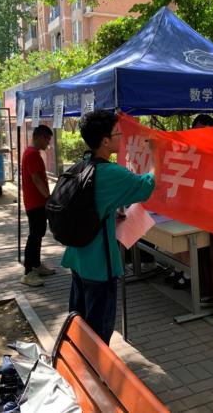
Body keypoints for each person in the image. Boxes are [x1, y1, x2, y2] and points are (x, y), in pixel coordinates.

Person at [61, 110, 155, 344]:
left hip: (77, 257)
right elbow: (148, 185)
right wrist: (157, 154)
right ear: (105, 141)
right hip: (99, 265)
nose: (121, 137)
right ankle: (92, 366)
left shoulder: (81, 166)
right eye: (117, 133)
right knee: (98, 334)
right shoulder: (109, 172)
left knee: (79, 323)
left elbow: (91, 206)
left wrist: (109, 215)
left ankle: (77, 359)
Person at [167, 114, 213, 319]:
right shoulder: (193, 155)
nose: (197, 136)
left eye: (202, 132)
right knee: (198, 251)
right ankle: (203, 292)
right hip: (198, 214)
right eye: (194, 132)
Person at [20, 125, 57, 287]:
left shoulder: (31, 153)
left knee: (38, 234)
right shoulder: (32, 154)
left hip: (37, 202)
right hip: (35, 203)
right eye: (47, 139)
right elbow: (36, 179)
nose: (48, 143)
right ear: (40, 137)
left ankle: (36, 265)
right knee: (34, 236)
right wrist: (48, 197)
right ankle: (28, 273)